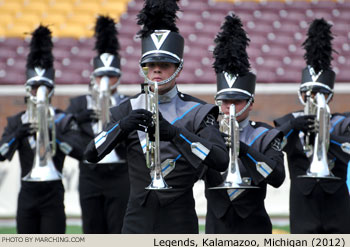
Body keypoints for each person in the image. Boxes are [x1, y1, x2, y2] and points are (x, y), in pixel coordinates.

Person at [84, 0, 229, 234]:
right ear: (143, 68)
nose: (157, 70)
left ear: (178, 68)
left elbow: (220, 160)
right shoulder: (127, 108)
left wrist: (175, 133)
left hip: (179, 218)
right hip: (136, 219)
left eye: (164, 64)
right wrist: (122, 126)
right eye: (150, 65)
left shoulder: (199, 110)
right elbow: (91, 153)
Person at [203, 13, 285, 234]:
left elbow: (277, 178)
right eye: (225, 101)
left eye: (237, 102)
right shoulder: (205, 132)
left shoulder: (266, 135)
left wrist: (243, 149)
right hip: (215, 230)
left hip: (255, 229)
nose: (230, 108)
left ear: (250, 103)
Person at [0, 25, 84, 234]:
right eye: (34, 88)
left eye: (43, 88)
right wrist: (17, 135)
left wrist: (52, 136)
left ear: (51, 90)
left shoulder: (64, 119)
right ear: (28, 90)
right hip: (27, 193)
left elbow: (81, 152)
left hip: (53, 194)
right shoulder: (17, 120)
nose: (39, 93)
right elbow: (1, 154)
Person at [274, 18, 350, 234]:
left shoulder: (344, 123)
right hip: (302, 206)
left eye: (321, 93)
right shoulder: (287, 121)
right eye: (310, 93)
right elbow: (271, 144)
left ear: (330, 95)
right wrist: (293, 126)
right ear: (302, 94)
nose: (315, 98)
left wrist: (327, 136)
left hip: (337, 205)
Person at [65, 15, 130, 234]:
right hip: (90, 171)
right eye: (101, 75)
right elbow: (64, 131)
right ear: (93, 76)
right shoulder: (79, 103)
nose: (105, 80)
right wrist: (83, 146)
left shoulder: (127, 103)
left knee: (118, 227)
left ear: (118, 77)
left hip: (119, 171)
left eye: (111, 76)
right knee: (92, 228)